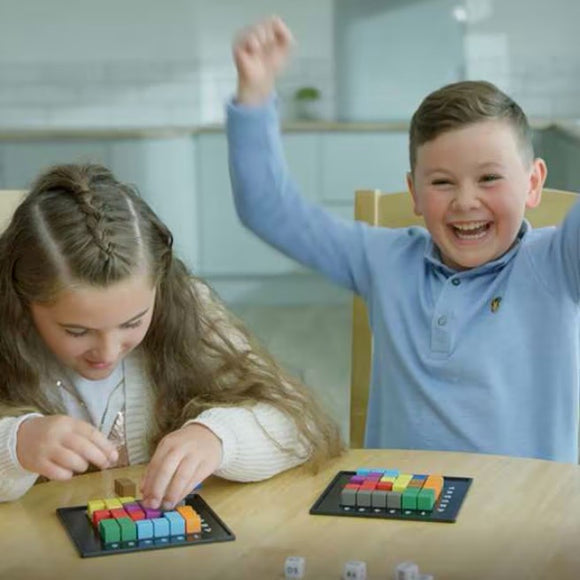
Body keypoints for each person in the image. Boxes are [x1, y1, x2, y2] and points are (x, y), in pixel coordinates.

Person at [227, 17, 580, 463]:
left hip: (524, 519)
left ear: (533, 183)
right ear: (414, 193)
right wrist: (255, 96)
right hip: (401, 511)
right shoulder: (385, 260)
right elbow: (269, 210)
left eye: (489, 178)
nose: (466, 201)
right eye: (442, 182)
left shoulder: (558, 263)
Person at [0, 163, 342, 505]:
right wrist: (14, 446)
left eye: (132, 323)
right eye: (77, 331)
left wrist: (218, 439)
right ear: (21, 301)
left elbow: (301, 425)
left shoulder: (188, 307)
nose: (108, 351)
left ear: (158, 289)